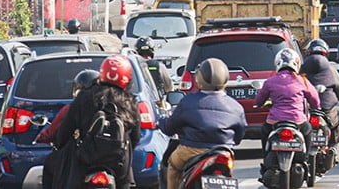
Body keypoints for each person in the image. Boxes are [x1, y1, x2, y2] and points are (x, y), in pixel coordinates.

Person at [54, 54, 141, 189]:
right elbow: (135, 138)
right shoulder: (130, 102)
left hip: (85, 163)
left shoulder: (85, 97)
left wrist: (59, 143)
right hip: (119, 168)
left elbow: (64, 132)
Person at [160, 58, 245, 189]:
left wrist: (161, 122)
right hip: (223, 152)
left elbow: (170, 128)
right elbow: (239, 136)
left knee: (172, 165)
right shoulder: (236, 106)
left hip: (191, 150)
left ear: (199, 79)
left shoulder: (188, 101)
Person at [254, 49, 321, 161]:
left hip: (274, 121)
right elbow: (315, 99)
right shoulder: (302, 80)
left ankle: (266, 158)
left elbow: (259, 100)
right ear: (296, 63)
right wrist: (316, 107)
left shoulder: (270, 81)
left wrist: (259, 104)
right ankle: (306, 158)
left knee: (265, 130)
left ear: (277, 63)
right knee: (308, 130)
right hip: (298, 121)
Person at [37, 69, 99, 189]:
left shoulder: (72, 108)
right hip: (109, 159)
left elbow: (59, 135)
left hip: (82, 158)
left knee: (50, 163)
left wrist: (42, 138)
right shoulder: (114, 105)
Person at [300, 39, 339, 147]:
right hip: (327, 106)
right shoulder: (331, 69)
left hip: (306, 107)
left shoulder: (300, 70)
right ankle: (332, 148)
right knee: (334, 127)